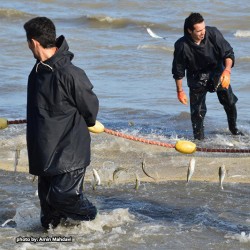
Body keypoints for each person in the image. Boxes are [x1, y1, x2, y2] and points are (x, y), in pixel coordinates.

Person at [23, 17, 99, 229]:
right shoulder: (37, 71)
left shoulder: (71, 73)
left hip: (69, 151)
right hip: (44, 151)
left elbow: (90, 110)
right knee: (48, 217)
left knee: (63, 198)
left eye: (28, 42)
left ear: (34, 42)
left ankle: (95, 220)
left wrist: (87, 121)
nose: (28, 47)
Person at [172, 12, 243, 140]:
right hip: (196, 77)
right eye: (199, 31)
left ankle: (234, 130)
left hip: (217, 72)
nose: (203, 32)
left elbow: (228, 53)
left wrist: (227, 71)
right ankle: (199, 140)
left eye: (203, 28)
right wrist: (180, 91)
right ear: (189, 31)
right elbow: (178, 71)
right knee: (197, 112)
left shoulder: (213, 33)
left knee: (229, 102)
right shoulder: (181, 45)